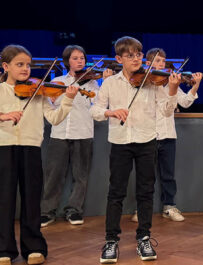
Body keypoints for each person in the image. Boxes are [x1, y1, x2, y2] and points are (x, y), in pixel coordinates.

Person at [90, 36, 180, 263]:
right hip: (120, 142)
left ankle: (144, 238)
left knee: (145, 192)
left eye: (139, 54)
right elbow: (96, 110)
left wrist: (173, 89)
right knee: (116, 193)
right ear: (119, 59)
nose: (136, 59)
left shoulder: (153, 81)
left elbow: (168, 111)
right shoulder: (110, 83)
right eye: (130, 55)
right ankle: (111, 241)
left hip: (147, 141)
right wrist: (111, 112)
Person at [0, 45, 78, 265]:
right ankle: (3, 249)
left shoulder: (38, 91)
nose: (26, 69)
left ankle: (33, 246)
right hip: (4, 148)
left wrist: (69, 99)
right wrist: (4, 116)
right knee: (4, 200)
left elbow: (54, 118)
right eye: (20, 64)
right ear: (6, 66)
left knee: (32, 200)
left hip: (31, 148)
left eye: (28, 65)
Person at [40, 45, 111, 227]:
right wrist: (56, 98)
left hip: (83, 133)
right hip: (59, 133)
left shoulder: (95, 83)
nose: (80, 61)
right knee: (53, 175)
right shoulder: (58, 81)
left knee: (80, 176)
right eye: (75, 58)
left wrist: (106, 82)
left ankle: (74, 211)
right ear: (67, 61)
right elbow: (49, 104)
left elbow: (100, 107)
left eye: (82, 58)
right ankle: (47, 212)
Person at [131, 48, 202, 223]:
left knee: (168, 175)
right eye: (157, 61)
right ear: (148, 64)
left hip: (168, 135)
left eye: (163, 61)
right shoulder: (143, 83)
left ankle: (169, 206)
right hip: (146, 135)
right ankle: (141, 208)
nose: (161, 64)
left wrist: (195, 86)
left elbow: (185, 103)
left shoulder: (171, 83)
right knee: (145, 175)